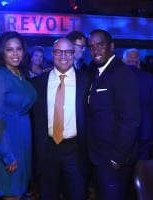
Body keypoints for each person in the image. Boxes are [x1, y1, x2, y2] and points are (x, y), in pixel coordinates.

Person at [31, 38, 90, 200]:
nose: (63, 56)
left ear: (73, 54)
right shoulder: (37, 83)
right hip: (46, 151)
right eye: (58, 51)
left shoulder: (87, 81)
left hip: (75, 151)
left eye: (68, 51)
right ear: (52, 54)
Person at [86, 29, 140, 200]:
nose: (95, 50)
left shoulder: (121, 73)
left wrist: (117, 158)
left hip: (113, 159)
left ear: (111, 47)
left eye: (100, 45)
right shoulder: (97, 71)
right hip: (99, 156)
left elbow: (130, 120)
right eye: (92, 46)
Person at [0, 31, 37, 200]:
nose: (15, 53)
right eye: (9, 49)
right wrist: (7, 155)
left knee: (20, 191)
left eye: (19, 49)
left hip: (23, 139)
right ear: (2, 52)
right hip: (7, 141)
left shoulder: (20, 74)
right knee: (10, 192)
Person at [122, 48, 153, 160]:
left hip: (123, 131)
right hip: (144, 128)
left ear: (123, 61)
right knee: (142, 166)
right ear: (138, 61)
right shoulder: (148, 77)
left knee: (123, 166)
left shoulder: (116, 77)